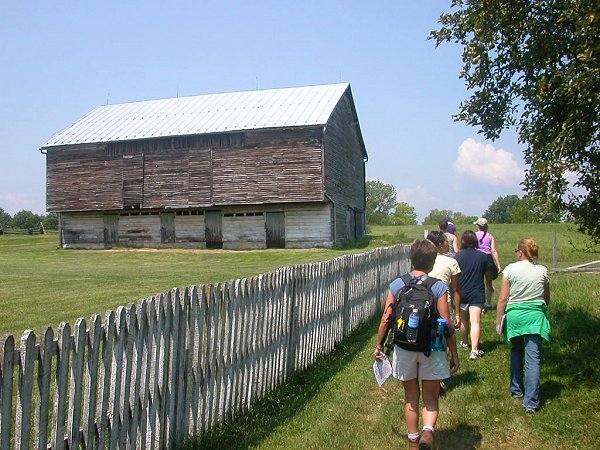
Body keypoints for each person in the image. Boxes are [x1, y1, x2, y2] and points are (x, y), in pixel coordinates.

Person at [374, 240, 459, 449]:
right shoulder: (438, 287)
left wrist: (379, 345)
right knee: (431, 397)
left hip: (404, 347)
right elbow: (446, 322)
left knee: (411, 397)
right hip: (433, 347)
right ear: (432, 262)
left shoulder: (398, 284)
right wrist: (454, 353)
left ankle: (413, 441)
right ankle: (428, 432)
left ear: (411, 259)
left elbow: (387, 318)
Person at [496, 238, 550, 414]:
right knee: (533, 359)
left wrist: (499, 319)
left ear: (520, 252)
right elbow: (546, 297)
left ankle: (517, 389)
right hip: (535, 316)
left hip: (515, 316)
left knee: (516, 351)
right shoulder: (542, 271)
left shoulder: (510, 269)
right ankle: (531, 402)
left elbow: (503, 298)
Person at [455, 230, 497, 360]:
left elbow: (455, 277)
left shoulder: (458, 257)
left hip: (462, 293)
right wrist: (490, 286)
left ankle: (464, 342)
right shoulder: (483, 256)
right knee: (475, 322)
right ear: (475, 241)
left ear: (462, 242)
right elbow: (489, 274)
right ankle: (474, 350)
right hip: (477, 293)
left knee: (463, 320)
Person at [427, 231, 462, 328]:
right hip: (444, 302)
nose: (448, 244)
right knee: (446, 334)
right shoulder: (452, 262)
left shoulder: (425, 259)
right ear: (440, 245)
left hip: (425, 300)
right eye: (446, 241)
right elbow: (456, 289)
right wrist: (458, 314)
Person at [473, 217, 501, 310]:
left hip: (477, 258)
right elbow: (493, 250)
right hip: (488, 258)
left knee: (478, 282)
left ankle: (479, 304)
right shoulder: (490, 236)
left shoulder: (474, 235)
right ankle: (489, 304)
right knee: (489, 282)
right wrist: (498, 264)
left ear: (478, 226)